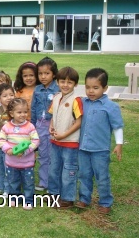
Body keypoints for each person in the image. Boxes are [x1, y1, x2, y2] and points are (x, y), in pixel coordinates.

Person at [76, 68, 124, 215]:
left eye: (95, 88)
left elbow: (117, 126)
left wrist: (119, 144)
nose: (91, 91)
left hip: (100, 150)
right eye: (88, 87)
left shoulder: (111, 107)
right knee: (84, 174)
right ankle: (84, 198)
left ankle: (105, 202)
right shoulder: (83, 103)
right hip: (83, 148)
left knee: (102, 177)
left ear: (105, 88)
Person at [48, 67, 83, 209]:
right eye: (62, 81)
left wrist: (64, 134)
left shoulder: (76, 100)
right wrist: (51, 126)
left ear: (75, 84)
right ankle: (54, 194)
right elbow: (53, 115)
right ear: (57, 82)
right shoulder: (56, 97)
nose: (65, 85)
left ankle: (67, 198)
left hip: (70, 143)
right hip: (56, 141)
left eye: (70, 82)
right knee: (54, 168)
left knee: (68, 170)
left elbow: (79, 122)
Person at [0, 98, 39, 210]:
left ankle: (29, 200)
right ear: (11, 113)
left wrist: (25, 151)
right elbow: (1, 140)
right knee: (13, 181)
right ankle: (14, 198)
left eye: (25, 112)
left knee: (28, 182)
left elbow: (35, 141)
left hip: (27, 163)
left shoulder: (30, 126)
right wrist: (8, 150)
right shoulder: (6, 127)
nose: (23, 115)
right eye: (19, 112)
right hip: (11, 162)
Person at [30, 56, 59, 192]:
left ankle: (54, 182)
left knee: (54, 155)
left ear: (53, 74)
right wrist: (32, 126)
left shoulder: (58, 89)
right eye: (40, 73)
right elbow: (34, 108)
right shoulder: (37, 89)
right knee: (43, 154)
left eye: (46, 73)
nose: (43, 76)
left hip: (54, 126)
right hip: (40, 125)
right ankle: (43, 182)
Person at [0, 83, 15, 195]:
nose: (9, 97)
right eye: (5, 95)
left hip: (9, 145)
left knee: (8, 168)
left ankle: (7, 188)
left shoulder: (15, 111)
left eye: (11, 94)